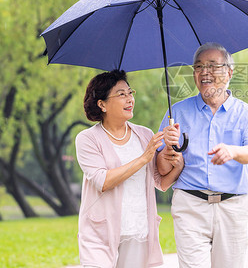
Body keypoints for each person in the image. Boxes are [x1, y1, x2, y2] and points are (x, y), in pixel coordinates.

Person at [157, 42, 248, 268]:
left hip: (232, 206)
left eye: (213, 66)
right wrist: (167, 149)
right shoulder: (176, 113)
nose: (204, 72)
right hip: (190, 205)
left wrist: (232, 151)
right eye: (198, 67)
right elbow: (162, 170)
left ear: (229, 72)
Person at [75, 70, 183, 268]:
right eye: (121, 94)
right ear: (102, 104)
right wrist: (144, 158)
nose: (130, 99)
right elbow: (103, 181)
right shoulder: (88, 139)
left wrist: (173, 155)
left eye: (130, 92)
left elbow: (161, 182)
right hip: (100, 234)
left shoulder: (144, 134)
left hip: (138, 232)